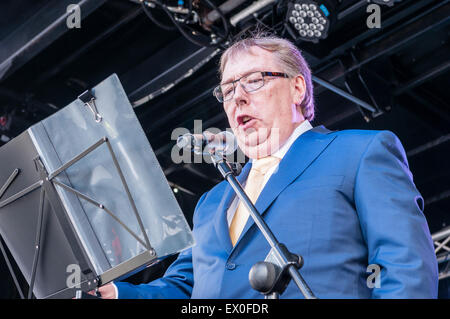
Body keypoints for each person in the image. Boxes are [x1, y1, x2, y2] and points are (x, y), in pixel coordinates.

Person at [97, 34, 438, 298]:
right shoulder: (212, 202)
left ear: (297, 87)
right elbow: (185, 287)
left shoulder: (360, 152)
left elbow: (405, 266)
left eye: (254, 80)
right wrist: (117, 293)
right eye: (228, 89)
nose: (238, 97)